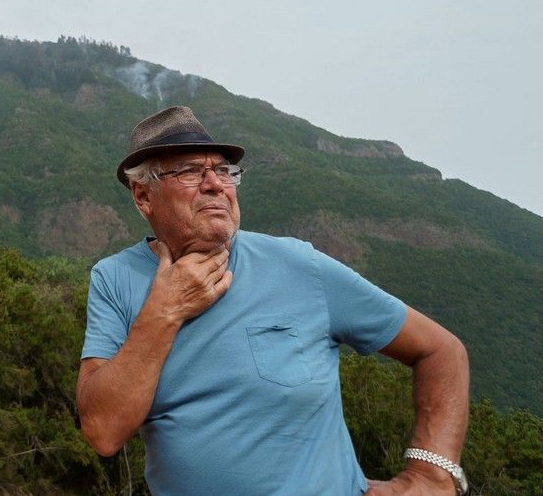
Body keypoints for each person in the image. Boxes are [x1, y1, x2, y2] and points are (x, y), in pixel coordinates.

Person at [77, 106, 470, 495]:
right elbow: (103, 431)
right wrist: (166, 309)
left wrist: (431, 474)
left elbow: (441, 350)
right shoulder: (115, 279)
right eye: (190, 171)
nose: (215, 184)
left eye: (224, 171)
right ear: (144, 196)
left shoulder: (300, 265)